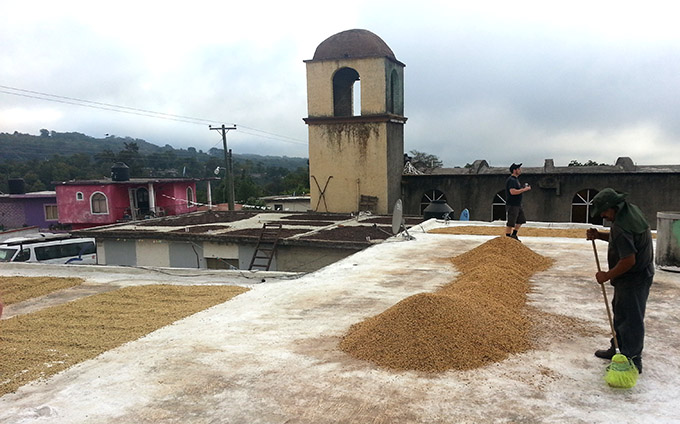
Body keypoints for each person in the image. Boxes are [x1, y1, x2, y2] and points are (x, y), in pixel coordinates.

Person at [586, 188, 654, 374]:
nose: (602, 215)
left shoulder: (621, 227)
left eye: (604, 211)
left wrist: (606, 275)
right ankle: (618, 348)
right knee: (621, 312)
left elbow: (628, 260)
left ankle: (632, 360)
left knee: (630, 318)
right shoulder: (630, 211)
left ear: (613, 207)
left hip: (634, 277)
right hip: (639, 273)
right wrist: (599, 235)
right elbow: (621, 241)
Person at [505, 163, 531, 241]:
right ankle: (507, 238)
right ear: (514, 170)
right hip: (512, 204)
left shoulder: (516, 180)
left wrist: (522, 188)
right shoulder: (511, 180)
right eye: (518, 169)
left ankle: (514, 234)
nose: (520, 170)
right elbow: (512, 192)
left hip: (517, 204)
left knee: (521, 220)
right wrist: (524, 190)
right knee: (511, 222)